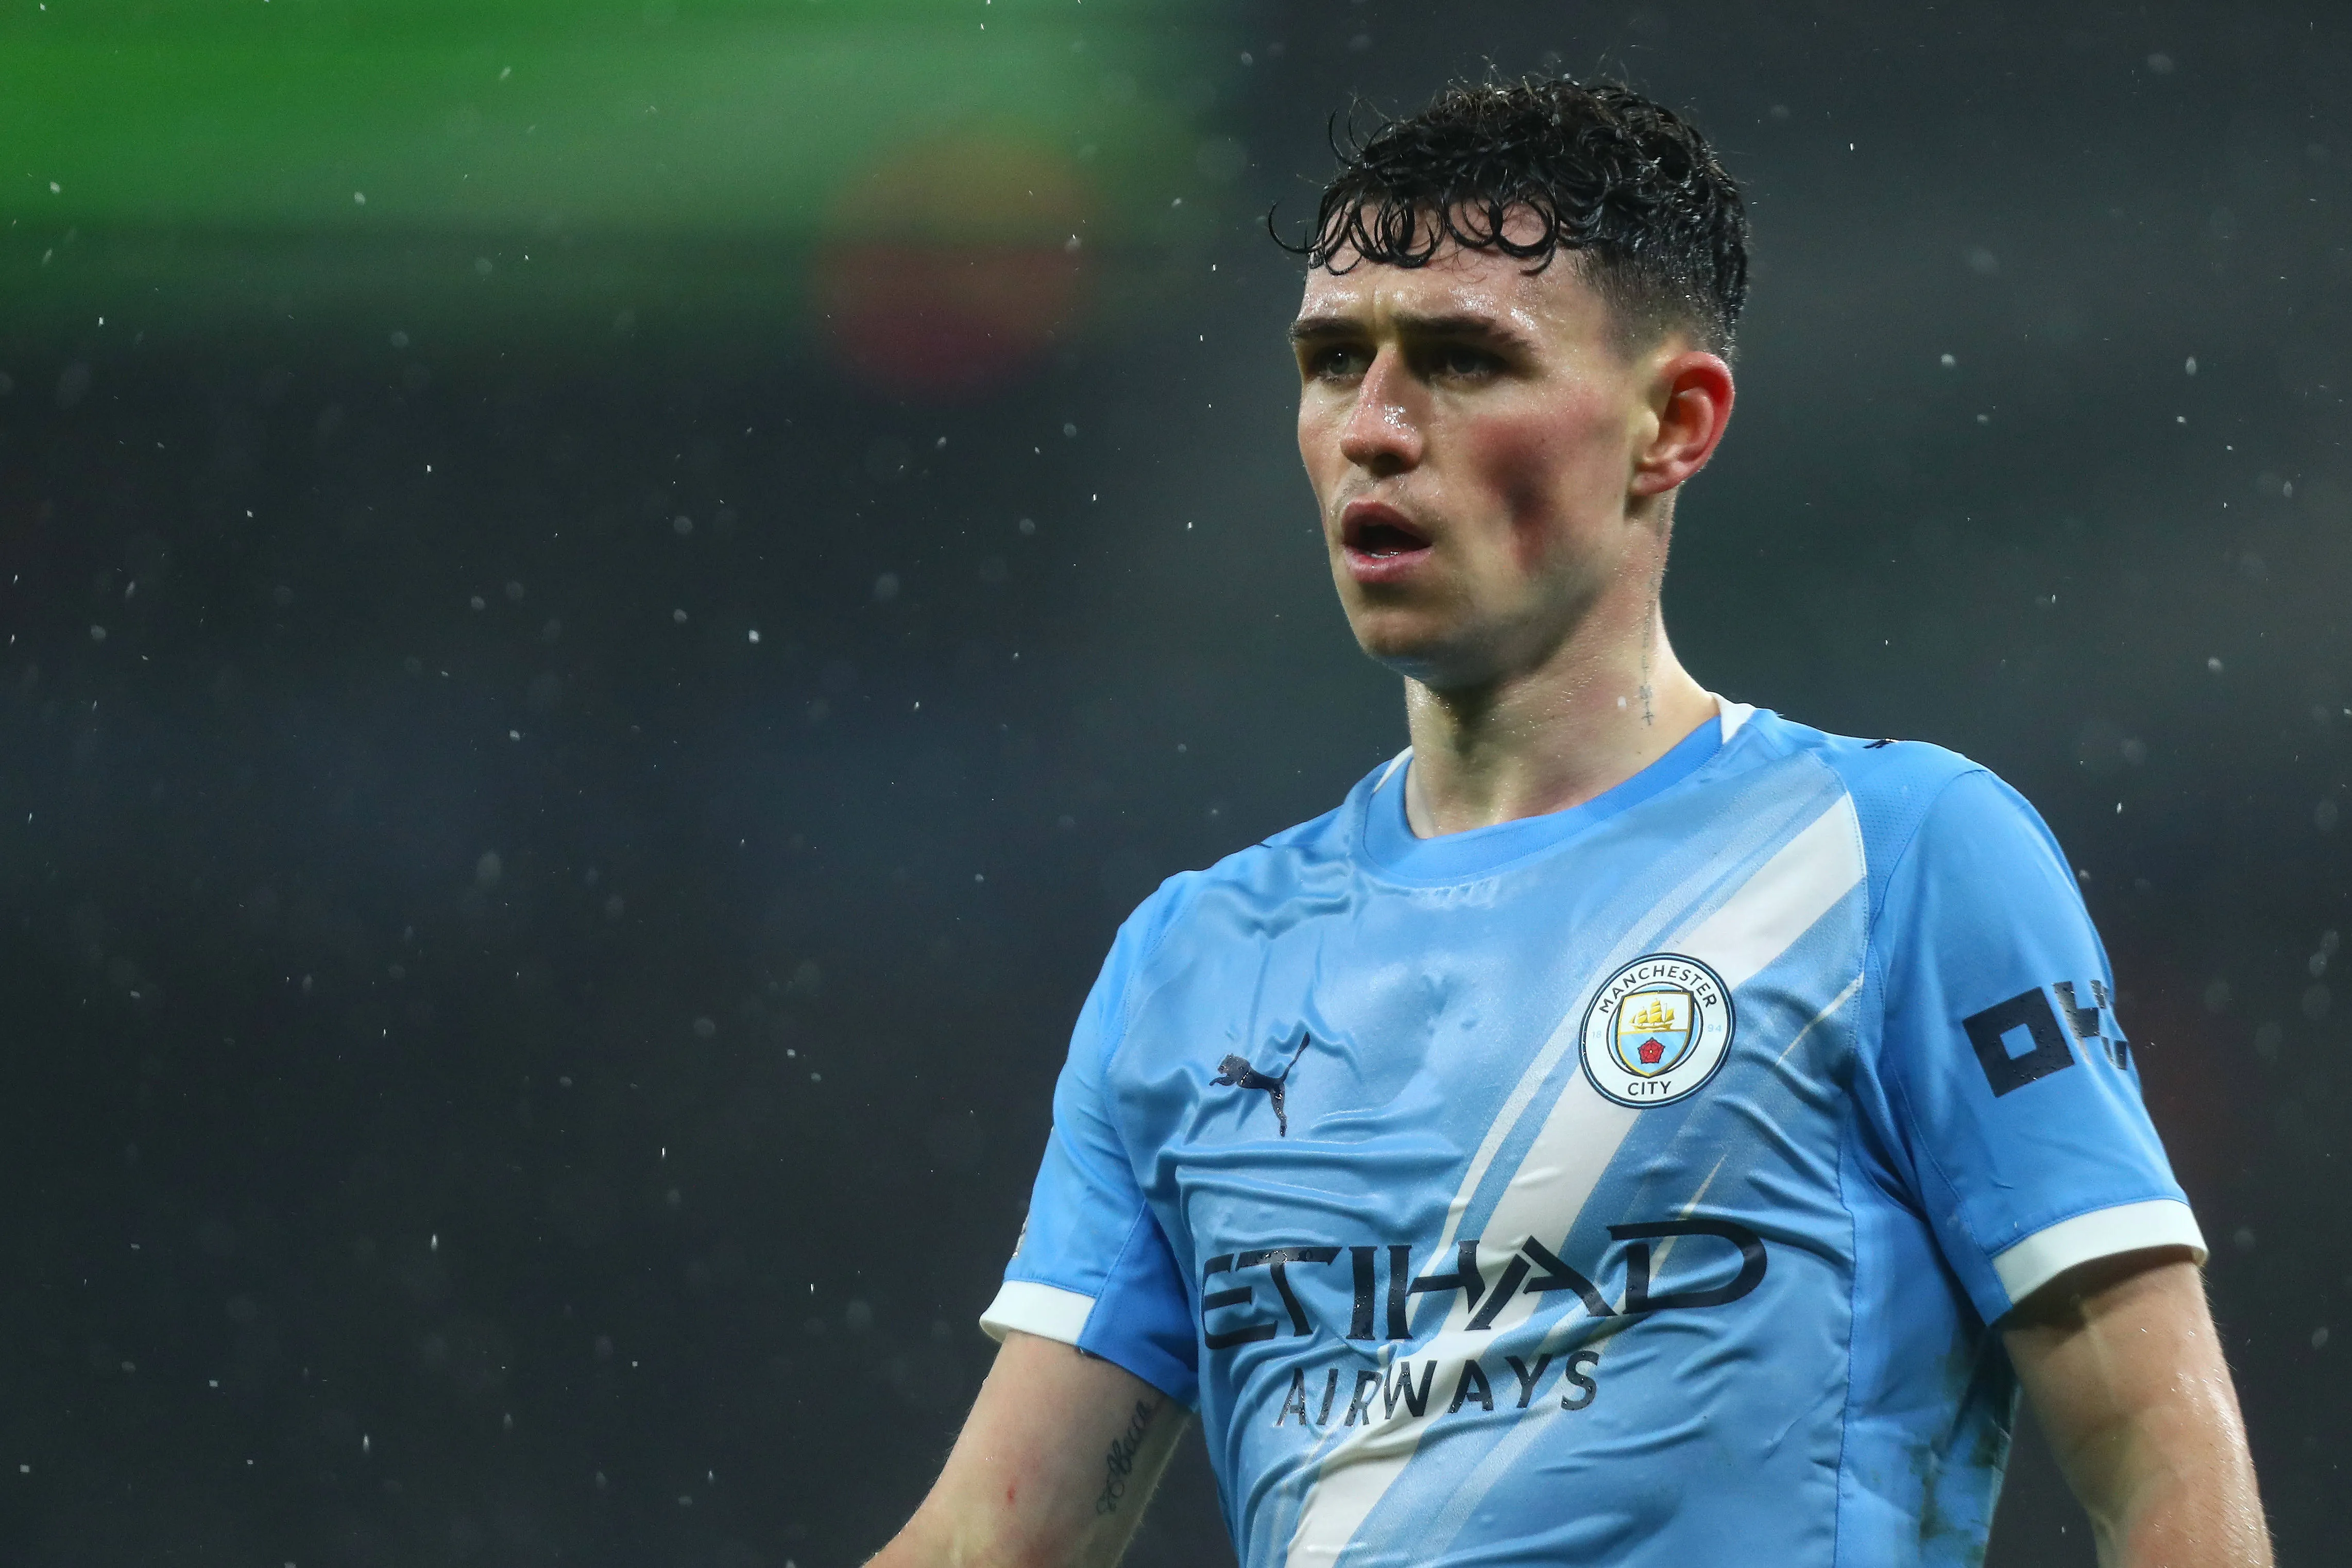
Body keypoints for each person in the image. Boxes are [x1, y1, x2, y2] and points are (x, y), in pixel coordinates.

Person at [864, 77, 2271, 1568]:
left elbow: (2159, 1466)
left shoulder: (1896, 857)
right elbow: (987, 1544)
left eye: (1464, 361)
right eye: (1333, 362)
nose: (1375, 428)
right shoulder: (1192, 960)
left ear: (1673, 423)